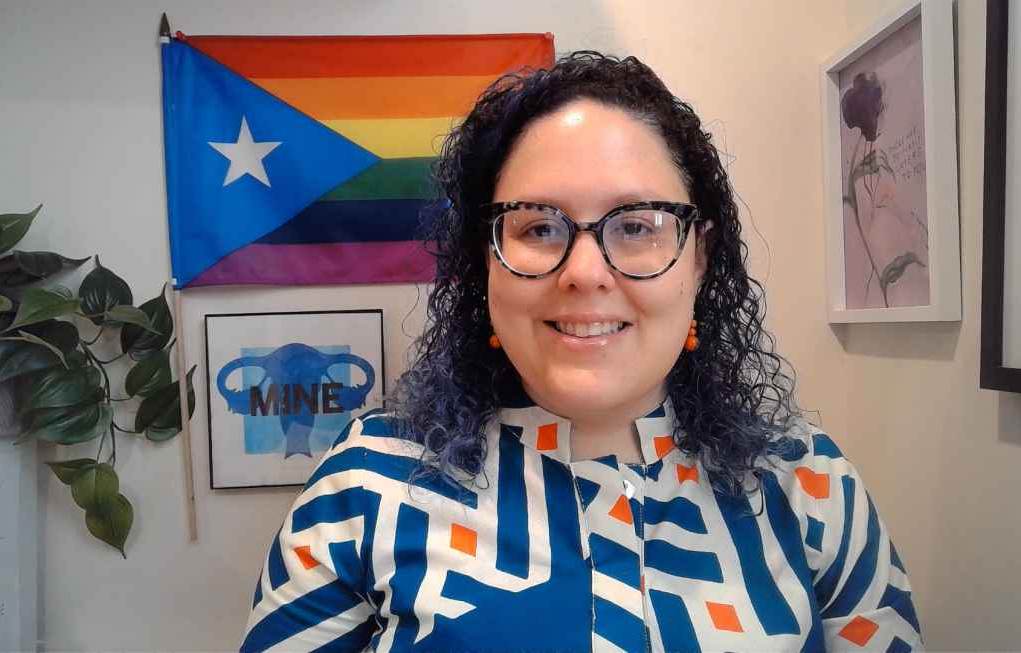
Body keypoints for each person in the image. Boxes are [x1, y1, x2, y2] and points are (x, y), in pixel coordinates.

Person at [241, 51, 922, 653]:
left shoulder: (811, 487)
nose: (586, 272)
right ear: (486, 263)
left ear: (700, 259)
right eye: (539, 225)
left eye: (636, 226)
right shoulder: (368, 485)